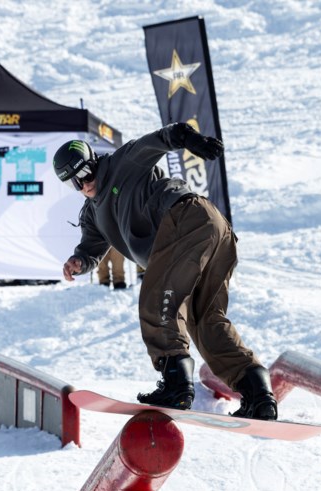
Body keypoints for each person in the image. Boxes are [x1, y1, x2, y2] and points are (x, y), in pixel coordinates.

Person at [53, 126, 277, 420]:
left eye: (84, 174)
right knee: (205, 319)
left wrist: (191, 140)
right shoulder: (93, 212)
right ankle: (258, 395)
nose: (83, 185)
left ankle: (176, 385)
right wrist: (79, 262)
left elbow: (160, 140)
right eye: (74, 182)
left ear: (93, 161)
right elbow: (91, 247)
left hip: (187, 219)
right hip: (208, 234)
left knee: (157, 300)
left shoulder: (123, 162)